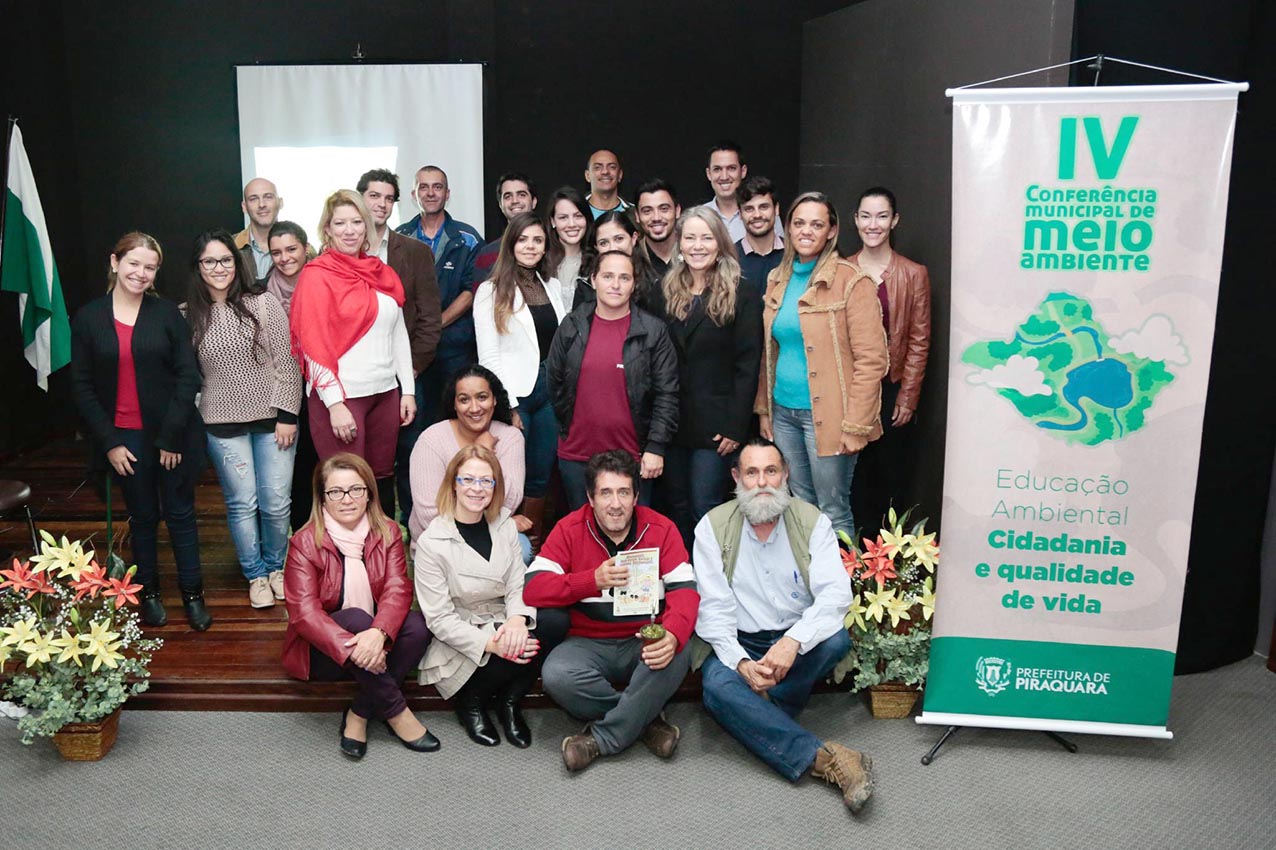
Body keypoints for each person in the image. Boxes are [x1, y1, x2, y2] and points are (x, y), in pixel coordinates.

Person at [691, 438, 874, 813]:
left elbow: (836, 595)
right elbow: (713, 610)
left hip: (797, 640)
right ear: (736, 477)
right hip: (742, 642)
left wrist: (793, 642)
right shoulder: (712, 527)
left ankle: (758, 709)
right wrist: (742, 663)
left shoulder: (812, 521)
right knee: (716, 685)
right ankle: (826, 758)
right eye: (752, 472)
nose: (762, 482)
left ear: (785, 474)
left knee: (835, 641)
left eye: (771, 471)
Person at [523, 450, 699, 772]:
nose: (615, 504)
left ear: (636, 497)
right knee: (557, 675)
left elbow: (686, 592)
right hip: (588, 642)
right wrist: (591, 581)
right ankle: (644, 719)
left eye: (624, 493)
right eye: (605, 493)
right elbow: (534, 587)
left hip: (644, 639)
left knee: (679, 652)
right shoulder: (569, 529)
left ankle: (602, 739)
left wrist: (673, 635)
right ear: (590, 498)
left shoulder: (662, 529)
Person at [70, 232, 209, 630]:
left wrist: (171, 437)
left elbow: (188, 376)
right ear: (115, 263)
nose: (141, 273)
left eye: (150, 267)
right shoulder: (88, 318)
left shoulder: (166, 314)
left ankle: (193, 595)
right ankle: (148, 593)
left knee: (181, 515)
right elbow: (81, 386)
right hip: (123, 439)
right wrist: (110, 443)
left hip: (172, 435)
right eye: (134, 263)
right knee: (143, 517)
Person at [282, 453, 437, 758]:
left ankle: (359, 712)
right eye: (336, 491)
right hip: (326, 652)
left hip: (374, 643)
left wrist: (378, 634)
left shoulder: (388, 531)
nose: (347, 499)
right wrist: (357, 646)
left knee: (419, 626)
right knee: (355, 618)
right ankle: (397, 712)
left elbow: (397, 588)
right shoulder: (304, 542)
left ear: (369, 493)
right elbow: (304, 614)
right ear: (322, 498)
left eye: (356, 489)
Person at [755, 191, 888, 537]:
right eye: (799, 223)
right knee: (800, 505)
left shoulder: (852, 281)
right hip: (784, 414)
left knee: (833, 510)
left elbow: (872, 360)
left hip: (830, 418)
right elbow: (768, 351)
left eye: (817, 224)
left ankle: (844, 575)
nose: (806, 231)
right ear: (788, 228)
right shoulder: (777, 278)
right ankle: (808, 573)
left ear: (831, 231)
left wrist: (856, 425)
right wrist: (764, 410)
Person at [187, 228, 302, 609]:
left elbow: (287, 362)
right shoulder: (188, 315)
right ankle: (255, 575)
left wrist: (288, 414)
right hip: (221, 425)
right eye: (209, 261)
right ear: (198, 267)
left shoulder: (263, 302)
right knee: (242, 503)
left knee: (276, 502)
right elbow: (187, 375)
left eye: (225, 259)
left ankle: (276, 568)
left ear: (237, 263)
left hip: (274, 421)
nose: (218, 268)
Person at [290, 189, 415, 518]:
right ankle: (343, 551)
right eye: (340, 223)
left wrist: (407, 390)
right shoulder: (316, 275)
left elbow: (398, 333)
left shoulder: (381, 272)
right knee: (344, 484)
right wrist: (335, 405)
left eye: (357, 222)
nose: (349, 230)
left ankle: (380, 548)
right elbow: (313, 345)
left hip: (385, 392)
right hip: (343, 399)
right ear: (327, 229)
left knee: (380, 481)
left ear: (367, 226)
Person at [415, 445, 542, 747]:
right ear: (453, 484)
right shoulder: (432, 542)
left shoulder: (505, 526)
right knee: (514, 646)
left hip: (504, 618)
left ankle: (509, 702)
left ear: (495, 487)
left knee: (551, 622)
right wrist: (492, 644)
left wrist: (517, 620)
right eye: (468, 480)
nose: (477, 488)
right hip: (464, 633)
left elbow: (517, 583)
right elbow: (440, 619)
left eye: (486, 481)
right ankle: (472, 701)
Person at [660, 208, 761, 550]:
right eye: (690, 238)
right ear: (679, 244)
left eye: (706, 237)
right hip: (673, 424)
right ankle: (682, 574)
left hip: (717, 427)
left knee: (706, 507)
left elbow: (748, 363)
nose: (697, 246)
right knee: (676, 507)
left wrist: (736, 425)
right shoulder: (665, 290)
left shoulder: (742, 292)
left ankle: (712, 576)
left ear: (720, 243)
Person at [547, 251, 679, 510]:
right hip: (577, 455)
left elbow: (667, 393)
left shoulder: (653, 332)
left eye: (624, 278)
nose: (615, 285)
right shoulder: (572, 325)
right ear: (593, 280)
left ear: (634, 283)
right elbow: (554, 381)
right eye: (608, 276)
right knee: (582, 530)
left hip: (633, 458)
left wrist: (655, 447)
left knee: (632, 532)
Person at [473, 212, 567, 548]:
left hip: (550, 393)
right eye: (523, 239)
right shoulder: (490, 291)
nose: (530, 246)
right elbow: (488, 356)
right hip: (515, 396)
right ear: (510, 244)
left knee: (540, 475)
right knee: (509, 477)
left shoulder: (552, 286)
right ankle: (505, 548)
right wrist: (507, 406)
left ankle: (533, 549)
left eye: (538, 240)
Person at [358, 168, 445, 524]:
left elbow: (429, 318)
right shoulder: (340, 251)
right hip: (357, 379)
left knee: (410, 457)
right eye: (374, 196)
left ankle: (415, 530)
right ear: (360, 198)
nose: (381, 204)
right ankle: (370, 531)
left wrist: (411, 370)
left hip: (405, 377)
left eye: (388, 198)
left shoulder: (414, 252)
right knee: (364, 462)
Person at [847, 187, 932, 529]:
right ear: (855, 220)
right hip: (851, 392)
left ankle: (884, 558)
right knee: (851, 483)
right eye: (866, 216)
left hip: (892, 391)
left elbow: (919, 340)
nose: (873, 225)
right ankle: (849, 556)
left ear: (894, 220)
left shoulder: (914, 274)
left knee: (888, 482)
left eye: (881, 216)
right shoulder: (840, 270)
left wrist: (908, 397)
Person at [408, 365, 532, 563]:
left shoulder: (510, 437)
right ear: (454, 404)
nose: (474, 408)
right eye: (464, 399)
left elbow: (509, 501)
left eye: (482, 397)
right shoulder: (431, 441)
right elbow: (429, 515)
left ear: (494, 399)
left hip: (493, 536)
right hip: (441, 541)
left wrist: (485, 456)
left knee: (522, 549)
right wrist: (480, 452)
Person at [396, 165, 482, 428]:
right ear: (414, 194)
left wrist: (435, 325)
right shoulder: (400, 237)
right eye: (424, 187)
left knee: (457, 420)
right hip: (411, 348)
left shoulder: (468, 238)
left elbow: (472, 290)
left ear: (447, 193)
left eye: (437, 187)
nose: (431, 193)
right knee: (413, 423)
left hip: (454, 347)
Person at [572, 209, 665, 318]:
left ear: (634, 238)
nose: (613, 248)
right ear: (596, 247)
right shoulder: (585, 286)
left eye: (619, 239)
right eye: (603, 243)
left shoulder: (654, 283)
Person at [473, 171, 538, 282]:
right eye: (508, 196)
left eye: (521, 195)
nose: (515, 201)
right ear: (500, 205)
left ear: (534, 202)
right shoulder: (487, 254)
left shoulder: (551, 249)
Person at [734, 175, 785, 295]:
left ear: (776, 209)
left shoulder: (794, 255)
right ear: (740, 214)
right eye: (749, 209)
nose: (757, 215)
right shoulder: (729, 258)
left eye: (763, 207)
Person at [544, 186, 592, 308]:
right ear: (553, 221)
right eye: (563, 217)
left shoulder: (598, 261)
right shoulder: (541, 261)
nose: (571, 224)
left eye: (578, 216)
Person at [234, 177, 284, 279]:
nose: (261, 204)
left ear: (280, 203)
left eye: (268, 197)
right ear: (244, 207)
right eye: (253, 199)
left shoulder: (302, 249)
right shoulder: (230, 246)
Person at [634, 178, 682, 279]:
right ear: (637, 216)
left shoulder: (693, 253)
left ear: (677, 211)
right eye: (647, 211)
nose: (656, 218)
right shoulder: (631, 258)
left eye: (664, 209)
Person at [703, 142, 749, 243]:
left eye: (731, 168)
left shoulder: (760, 215)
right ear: (709, 174)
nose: (724, 177)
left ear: (743, 171)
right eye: (717, 169)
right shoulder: (699, 217)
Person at [584, 149, 630, 218]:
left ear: (620, 175)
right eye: (597, 167)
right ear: (587, 176)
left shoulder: (635, 214)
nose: (605, 172)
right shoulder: (575, 211)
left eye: (612, 167)